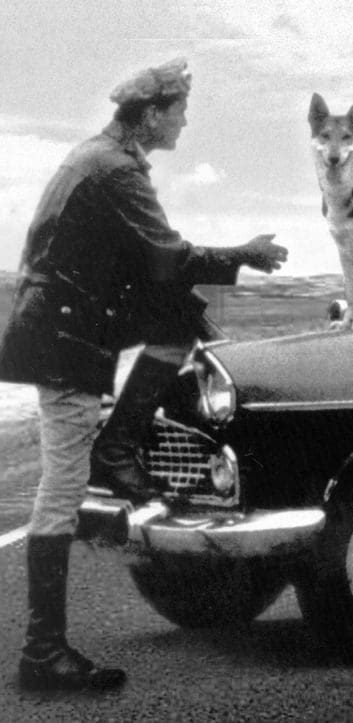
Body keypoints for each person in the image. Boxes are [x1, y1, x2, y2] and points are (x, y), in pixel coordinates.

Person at [0, 58, 289, 692]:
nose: (183, 123)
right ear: (152, 114)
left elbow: (150, 270)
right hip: (65, 339)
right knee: (61, 490)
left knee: (177, 312)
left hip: (70, 324)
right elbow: (167, 255)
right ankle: (43, 652)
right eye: (179, 112)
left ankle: (119, 443)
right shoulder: (116, 171)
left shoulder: (101, 158)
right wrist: (244, 253)